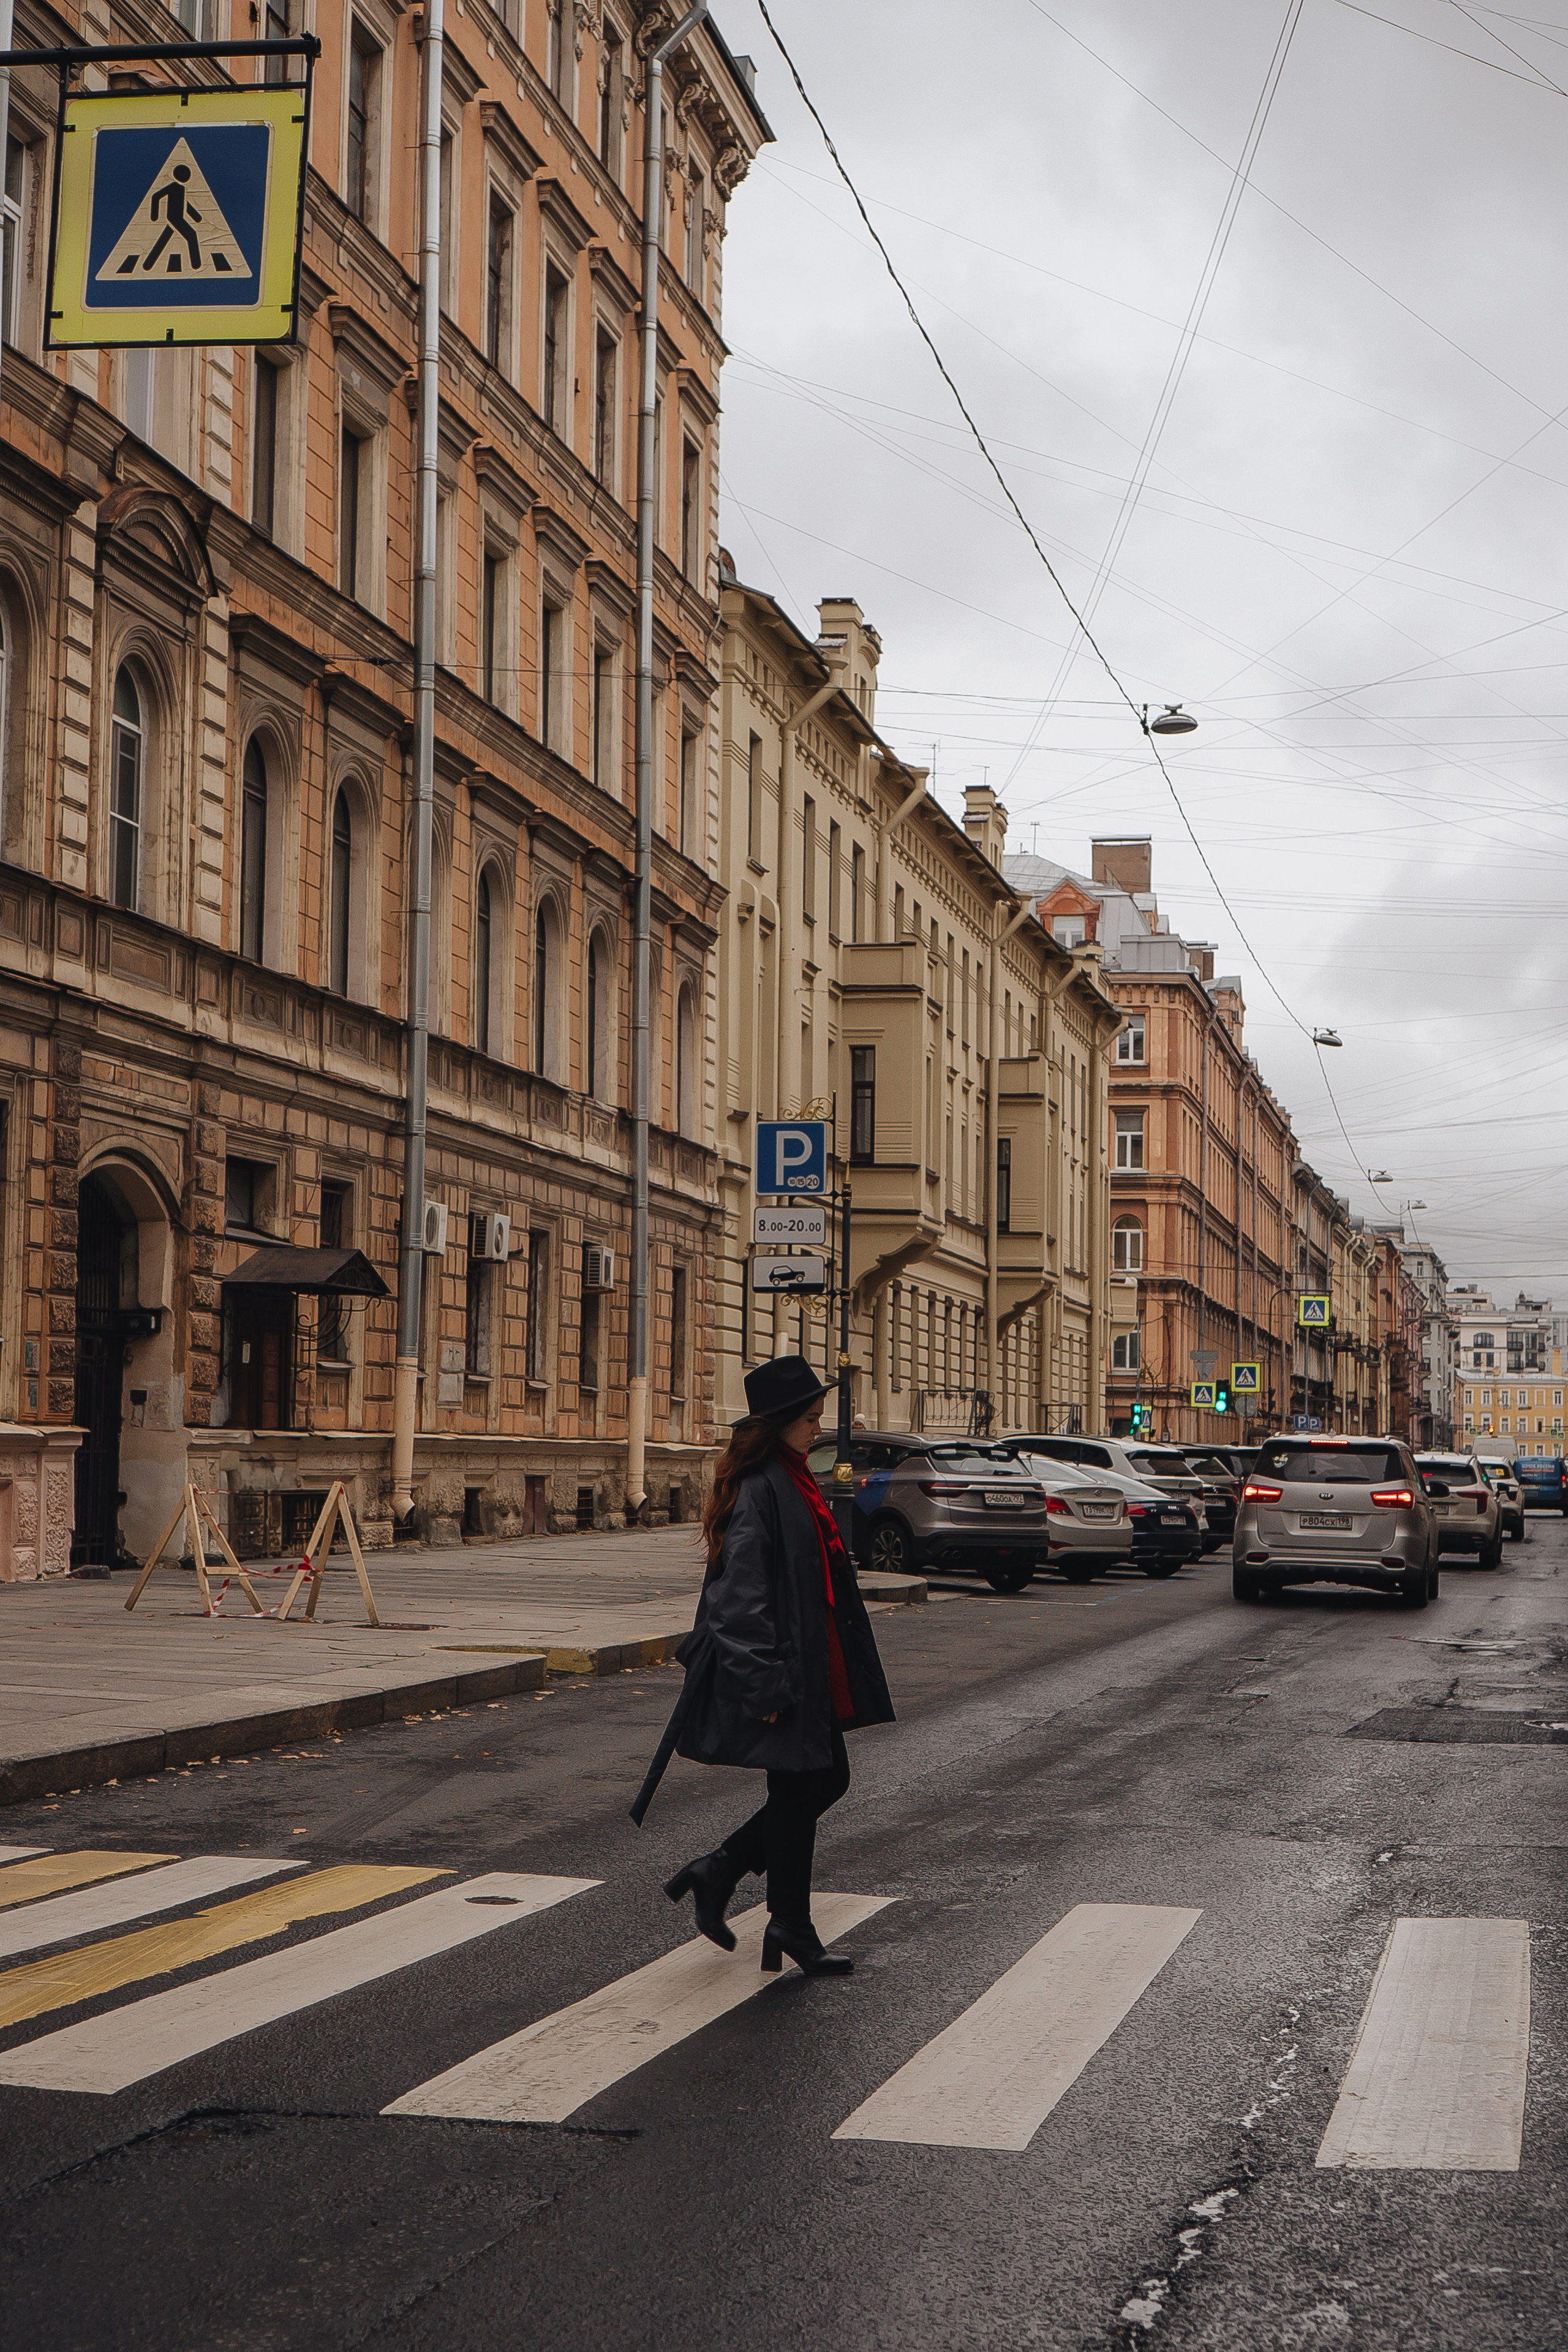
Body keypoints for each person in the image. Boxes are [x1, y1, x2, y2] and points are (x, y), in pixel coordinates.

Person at [631, 1355, 894, 1977]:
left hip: (808, 1661)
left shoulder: (793, 1477)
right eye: (808, 1419)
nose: (817, 1429)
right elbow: (738, 1600)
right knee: (812, 1783)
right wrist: (765, 1681)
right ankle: (774, 1912)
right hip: (783, 1668)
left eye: (818, 1418)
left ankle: (741, 1887)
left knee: (812, 1783)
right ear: (775, 1425)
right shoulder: (761, 1488)